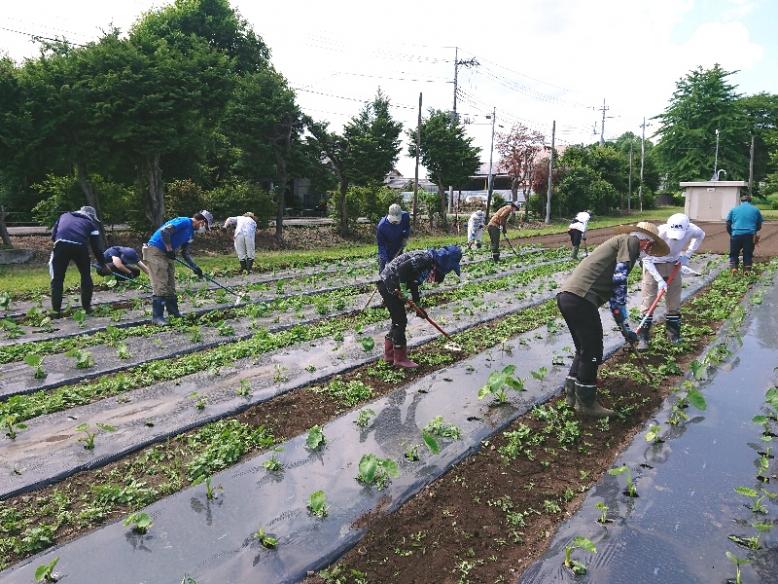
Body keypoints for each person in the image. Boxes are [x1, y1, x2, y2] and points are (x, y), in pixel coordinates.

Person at [556, 222, 669, 417]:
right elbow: (619, 282)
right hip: (581, 299)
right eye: (650, 247)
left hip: (568, 297)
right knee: (592, 350)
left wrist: (624, 325)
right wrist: (625, 326)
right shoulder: (630, 242)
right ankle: (586, 404)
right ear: (645, 242)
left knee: (583, 348)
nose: (648, 252)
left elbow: (616, 289)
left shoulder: (621, 242)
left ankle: (571, 395)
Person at [377, 245, 462, 369]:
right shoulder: (426, 259)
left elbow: (413, 283)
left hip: (393, 285)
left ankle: (390, 355)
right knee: (400, 321)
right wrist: (404, 291)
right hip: (389, 285)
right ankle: (400, 358)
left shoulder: (429, 264)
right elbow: (402, 269)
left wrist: (418, 305)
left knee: (398, 320)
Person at [638, 213, 705, 348]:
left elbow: (701, 236)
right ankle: (643, 338)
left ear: (686, 229)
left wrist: (687, 255)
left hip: (674, 264)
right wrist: (659, 279)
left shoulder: (692, 229)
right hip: (653, 265)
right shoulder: (660, 233)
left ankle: (673, 335)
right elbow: (646, 258)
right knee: (649, 301)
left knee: (673, 301)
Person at [143, 210, 213, 325]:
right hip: (156, 251)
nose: (203, 229)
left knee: (170, 285)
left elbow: (185, 253)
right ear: (201, 222)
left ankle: (174, 313)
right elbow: (165, 231)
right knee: (161, 284)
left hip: (167, 253)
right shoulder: (184, 221)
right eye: (205, 226)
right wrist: (169, 248)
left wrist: (195, 267)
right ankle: (157, 317)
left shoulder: (191, 233)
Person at [49, 206, 107, 316]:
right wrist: (103, 264)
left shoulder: (64, 216)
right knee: (86, 276)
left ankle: (56, 310)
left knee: (57, 279)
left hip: (61, 244)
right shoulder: (90, 224)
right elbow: (96, 248)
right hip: (80, 247)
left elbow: (53, 236)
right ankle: (87, 308)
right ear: (91, 216)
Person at [726, 193, 763, 274]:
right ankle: (747, 270)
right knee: (748, 253)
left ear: (741, 201)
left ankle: (734, 268)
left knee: (734, 253)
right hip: (749, 234)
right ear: (750, 201)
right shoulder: (756, 210)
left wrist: (731, 233)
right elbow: (759, 224)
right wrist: (754, 230)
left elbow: (728, 223)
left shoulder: (734, 209)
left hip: (736, 234)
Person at [376, 203, 411, 272]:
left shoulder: (405, 216)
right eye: (394, 221)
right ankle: (382, 279)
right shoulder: (382, 226)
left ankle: (398, 277)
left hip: (399, 243)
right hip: (387, 246)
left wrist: (405, 237)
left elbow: (407, 227)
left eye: (398, 220)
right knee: (383, 262)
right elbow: (381, 245)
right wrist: (384, 259)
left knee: (398, 264)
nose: (396, 222)